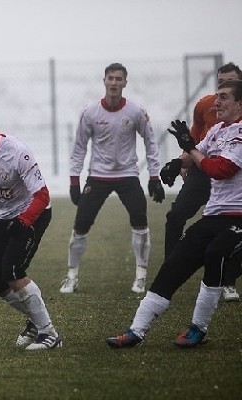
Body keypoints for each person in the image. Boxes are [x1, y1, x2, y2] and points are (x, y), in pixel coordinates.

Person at [107, 80, 242, 348]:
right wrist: (175, 163)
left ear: (240, 103)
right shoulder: (217, 130)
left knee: (216, 254)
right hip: (212, 217)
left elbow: (220, 169)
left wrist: (189, 147)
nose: (216, 103)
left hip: (238, 220)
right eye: (217, 97)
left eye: (224, 98)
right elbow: (195, 157)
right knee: (173, 265)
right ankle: (136, 331)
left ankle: (198, 328)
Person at [0, 105, 62, 351]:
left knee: (13, 271)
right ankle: (36, 322)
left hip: (33, 213)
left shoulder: (17, 153)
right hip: (4, 216)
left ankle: (49, 334)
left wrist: (24, 222)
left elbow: (42, 195)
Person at [61, 62, 164, 295]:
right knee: (80, 225)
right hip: (97, 176)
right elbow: (79, 147)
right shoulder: (90, 112)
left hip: (128, 175)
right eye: (111, 78)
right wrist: (74, 180)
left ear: (125, 83)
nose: (114, 83)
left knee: (140, 222)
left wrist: (154, 176)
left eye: (119, 79)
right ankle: (71, 277)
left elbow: (150, 143)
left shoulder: (136, 111)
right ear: (104, 81)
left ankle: (140, 276)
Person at [161, 62, 242, 302]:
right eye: (220, 83)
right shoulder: (207, 107)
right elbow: (195, 141)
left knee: (230, 233)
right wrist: (177, 164)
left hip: (232, 176)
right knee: (175, 216)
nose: (220, 93)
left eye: (230, 84)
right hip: (204, 170)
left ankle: (228, 280)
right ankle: (170, 272)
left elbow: (221, 165)